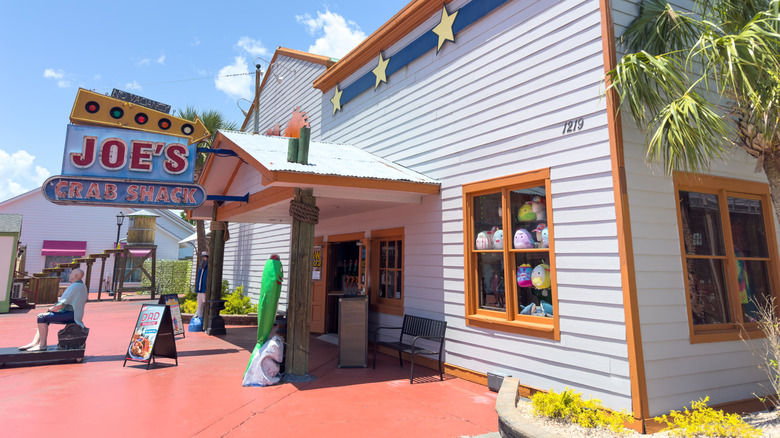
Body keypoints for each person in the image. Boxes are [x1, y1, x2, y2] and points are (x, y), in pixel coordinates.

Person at [19, 268, 88, 351]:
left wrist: (52, 308)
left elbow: (61, 304)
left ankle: (42, 345)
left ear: (76, 275)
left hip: (71, 315)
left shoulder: (74, 286)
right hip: (77, 314)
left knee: (42, 317)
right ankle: (35, 342)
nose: (69, 275)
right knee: (46, 316)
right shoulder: (83, 286)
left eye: (71, 273)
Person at [195, 251, 208, 318]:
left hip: (205, 289)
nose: (203, 259)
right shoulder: (201, 266)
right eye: (203, 257)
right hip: (200, 289)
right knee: (199, 303)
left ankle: (204, 317)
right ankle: (199, 316)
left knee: (205, 302)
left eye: (205, 257)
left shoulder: (208, 267)